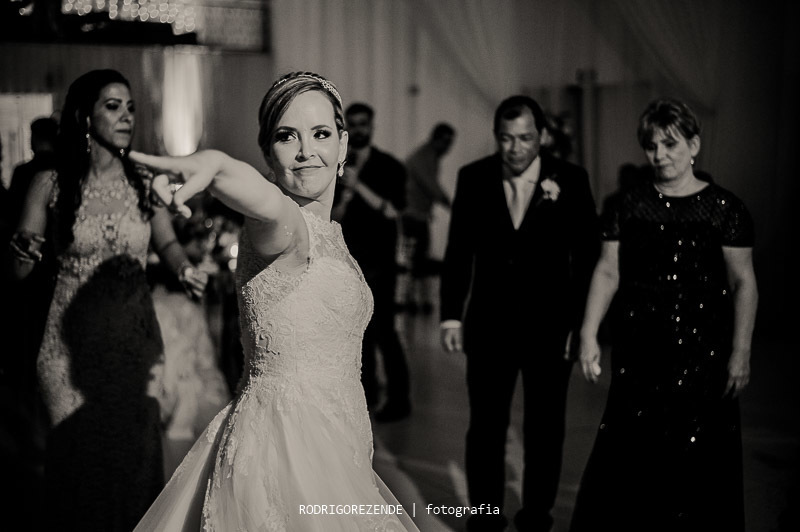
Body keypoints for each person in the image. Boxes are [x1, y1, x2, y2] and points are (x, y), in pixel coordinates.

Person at [130, 71, 418, 531]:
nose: (306, 151)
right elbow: (265, 202)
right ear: (268, 153)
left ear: (343, 146)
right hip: (284, 453)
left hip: (340, 445)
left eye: (321, 134)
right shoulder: (284, 231)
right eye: (288, 137)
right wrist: (217, 166)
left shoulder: (331, 235)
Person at [9, 69, 207, 532]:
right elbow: (19, 268)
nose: (126, 117)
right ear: (85, 115)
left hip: (133, 343)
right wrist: (19, 251)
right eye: (113, 106)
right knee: (77, 462)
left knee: (133, 458)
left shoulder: (142, 182)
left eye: (131, 107)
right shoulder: (49, 184)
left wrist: (185, 269)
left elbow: (168, 245)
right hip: (68, 348)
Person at [569, 98, 758, 532]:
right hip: (640, 353)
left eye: (670, 144)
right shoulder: (628, 204)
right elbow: (607, 269)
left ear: (694, 144)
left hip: (702, 354)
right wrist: (588, 333)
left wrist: (741, 351)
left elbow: (744, 283)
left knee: (696, 456)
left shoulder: (725, 209)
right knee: (632, 453)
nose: (660, 155)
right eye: (652, 146)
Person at [440, 95, 600, 532]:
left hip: (552, 329)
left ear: (543, 136)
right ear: (496, 137)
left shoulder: (571, 179)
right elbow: (458, 251)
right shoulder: (473, 178)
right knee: (485, 429)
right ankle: (486, 516)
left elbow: (589, 258)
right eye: (507, 139)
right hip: (488, 326)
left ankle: (536, 517)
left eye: (525, 138)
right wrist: (451, 315)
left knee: (545, 430)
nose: (515, 148)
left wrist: (585, 326)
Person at [333, 102, 412, 422]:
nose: (359, 129)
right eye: (353, 124)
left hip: (380, 261)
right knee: (355, 332)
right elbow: (332, 217)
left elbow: (394, 210)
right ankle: (365, 396)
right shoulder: (336, 167)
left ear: (372, 125)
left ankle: (399, 398)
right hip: (348, 260)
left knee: (384, 331)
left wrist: (359, 187)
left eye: (363, 123)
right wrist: (346, 194)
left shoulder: (390, 166)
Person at [147, 198, 231, 477]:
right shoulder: (163, 277)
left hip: (185, 320)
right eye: (195, 239)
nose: (201, 246)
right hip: (169, 318)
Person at [400, 122, 455, 314]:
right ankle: (413, 300)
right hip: (412, 216)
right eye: (447, 143)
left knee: (417, 260)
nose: (449, 148)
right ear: (438, 139)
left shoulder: (429, 156)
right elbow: (431, 185)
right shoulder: (424, 156)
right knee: (416, 261)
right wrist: (452, 205)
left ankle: (416, 300)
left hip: (418, 215)